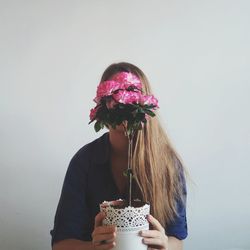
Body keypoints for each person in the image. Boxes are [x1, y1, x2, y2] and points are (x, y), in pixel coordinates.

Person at [50, 62, 188, 250]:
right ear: (102, 104)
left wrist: (165, 244)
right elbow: (61, 244)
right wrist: (94, 247)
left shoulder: (167, 164)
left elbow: (177, 241)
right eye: (112, 96)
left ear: (143, 102)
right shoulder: (84, 161)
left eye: (129, 92)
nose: (120, 105)